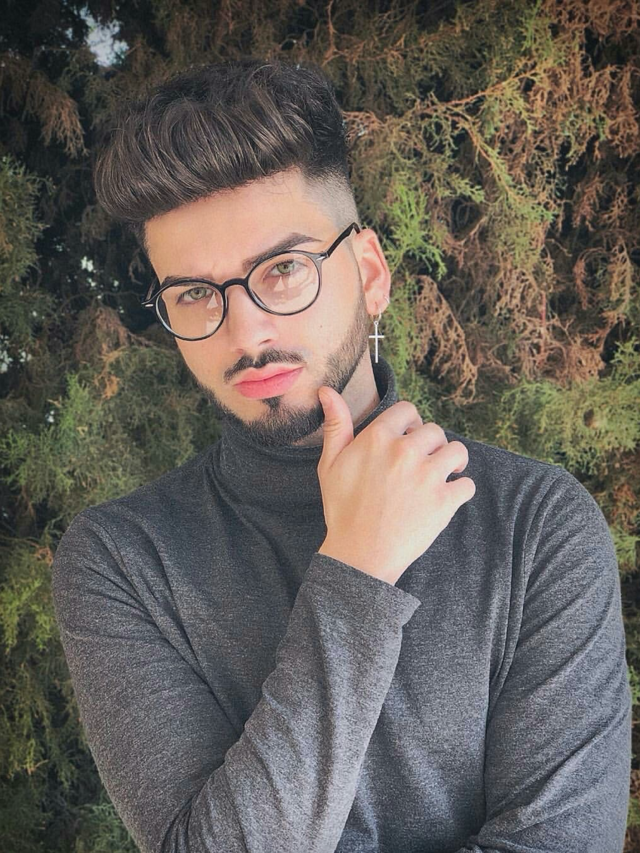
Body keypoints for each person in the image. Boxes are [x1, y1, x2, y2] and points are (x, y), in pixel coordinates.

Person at [51, 58, 632, 853]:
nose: (245, 331)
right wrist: (357, 569)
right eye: (194, 293)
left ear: (369, 273)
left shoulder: (536, 526)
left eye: (283, 269)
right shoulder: (123, 560)